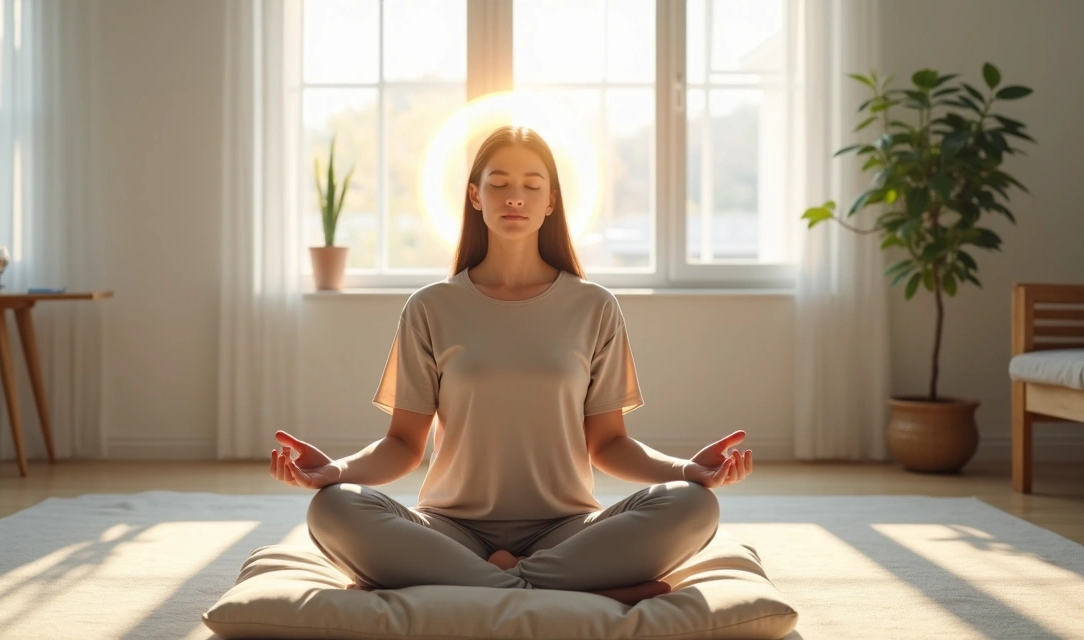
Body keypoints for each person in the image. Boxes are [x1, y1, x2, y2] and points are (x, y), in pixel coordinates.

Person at [270, 125, 753, 606]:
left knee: (692, 504)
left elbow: (608, 444)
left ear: (551, 201)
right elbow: (402, 445)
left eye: (531, 185)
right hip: (448, 528)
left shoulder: (595, 306)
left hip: (568, 530)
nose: (514, 197)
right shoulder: (431, 307)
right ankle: (576, 587)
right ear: (475, 196)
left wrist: (686, 469)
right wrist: (336, 470)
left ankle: (472, 582)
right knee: (334, 507)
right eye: (498, 184)